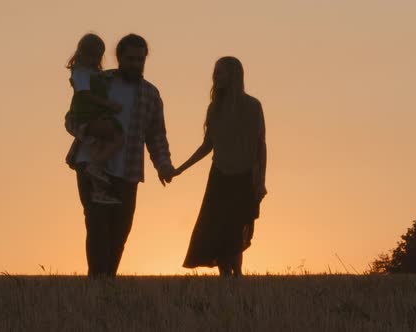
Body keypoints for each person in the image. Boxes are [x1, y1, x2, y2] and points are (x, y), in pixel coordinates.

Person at [65, 34, 175, 278]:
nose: (136, 64)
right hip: (92, 167)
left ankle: (108, 284)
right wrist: (90, 129)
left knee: (120, 231)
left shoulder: (151, 95)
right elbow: (72, 118)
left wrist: (164, 165)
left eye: (140, 59)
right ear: (119, 58)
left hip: (128, 171)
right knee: (97, 226)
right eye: (131, 59)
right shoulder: (99, 81)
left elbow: (156, 135)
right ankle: (97, 282)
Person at [175, 56, 267, 277]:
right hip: (219, 178)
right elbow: (208, 145)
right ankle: (226, 277)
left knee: (236, 232)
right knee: (216, 231)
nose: (216, 77)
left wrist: (260, 181)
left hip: (244, 178)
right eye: (215, 72)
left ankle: (236, 275)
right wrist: (180, 169)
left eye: (221, 72)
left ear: (235, 75)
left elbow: (260, 146)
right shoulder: (214, 108)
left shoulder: (253, 106)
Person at [66, 33, 123, 205]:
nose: (95, 59)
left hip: (92, 115)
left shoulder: (93, 73)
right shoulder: (81, 72)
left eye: (98, 56)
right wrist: (108, 104)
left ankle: (99, 189)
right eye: (92, 55)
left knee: (99, 143)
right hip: (86, 114)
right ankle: (95, 166)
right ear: (83, 53)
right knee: (117, 135)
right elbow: (85, 95)